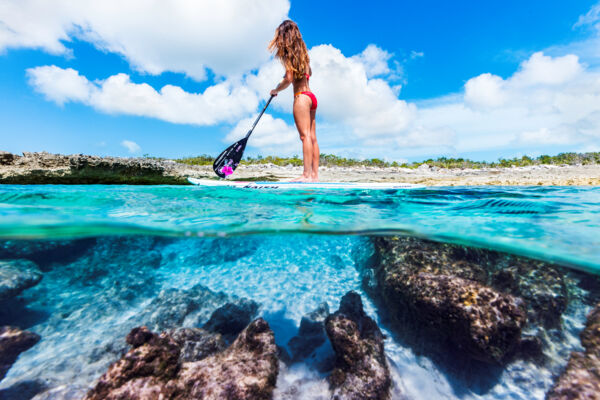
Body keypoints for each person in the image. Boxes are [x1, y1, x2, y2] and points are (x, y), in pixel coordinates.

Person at [269, 20, 319, 182]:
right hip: (312, 97)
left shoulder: (288, 54)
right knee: (312, 137)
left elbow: (289, 79)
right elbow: (308, 72)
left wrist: (276, 89)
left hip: (301, 97)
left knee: (304, 137)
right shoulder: (304, 54)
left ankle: (306, 175)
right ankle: (314, 176)